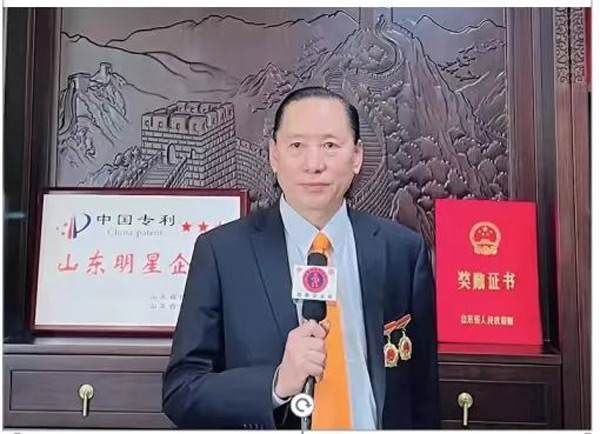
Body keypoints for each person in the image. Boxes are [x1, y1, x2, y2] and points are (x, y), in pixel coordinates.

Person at [162, 86, 440, 429]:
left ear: (356, 156)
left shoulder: (402, 251)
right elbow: (181, 392)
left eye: (330, 146)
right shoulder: (222, 254)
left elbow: (423, 393)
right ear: (273, 155)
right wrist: (276, 384)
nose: (314, 164)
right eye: (297, 146)